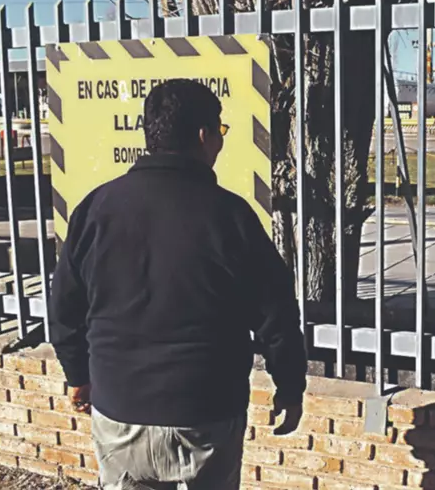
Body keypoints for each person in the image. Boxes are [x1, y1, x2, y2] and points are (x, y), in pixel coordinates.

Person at [49, 79, 307, 489]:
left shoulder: (95, 209)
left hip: (120, 408)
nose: (220, 141)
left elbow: (64, 306)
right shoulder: (230, 216)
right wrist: (289, 387)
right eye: (220, 131)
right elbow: (275, 313)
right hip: (206, 411)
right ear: (204, 135)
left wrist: (78, 373)